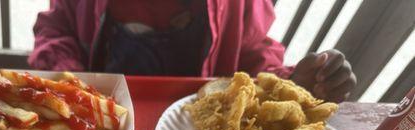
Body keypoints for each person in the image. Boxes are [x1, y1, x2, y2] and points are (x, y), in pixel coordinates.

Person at [29, 0, 357, 103]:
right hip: (101, 110)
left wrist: (291, 82)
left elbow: (255, 54)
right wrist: (68, 79)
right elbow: (56, 28)